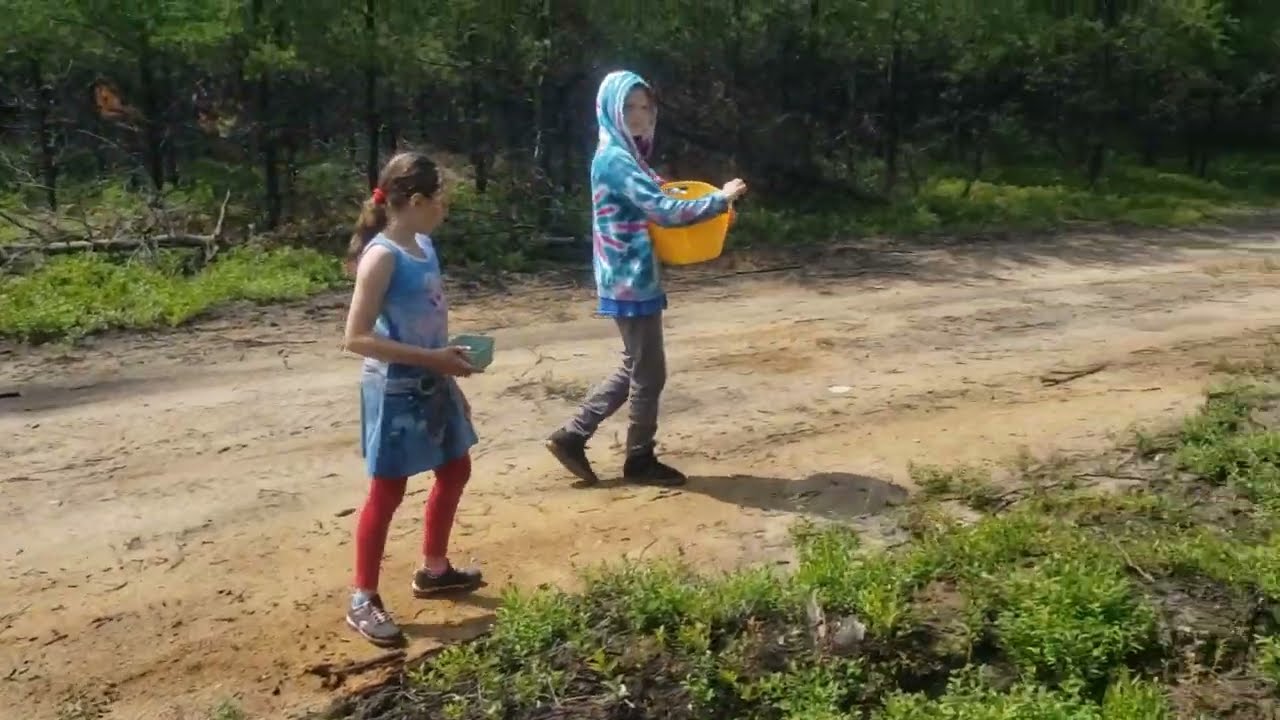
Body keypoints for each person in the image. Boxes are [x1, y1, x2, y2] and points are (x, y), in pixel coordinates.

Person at [545, 70, 748, 487]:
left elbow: (669, 194)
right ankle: (638, 459)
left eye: (645, 106)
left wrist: (716, 210)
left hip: (628, 273)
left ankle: (573, 435)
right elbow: (664, 210)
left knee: (636, 364)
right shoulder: (615, 159)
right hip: (628, 276)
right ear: (610, 110)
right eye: (628, 107)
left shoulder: (626, 155)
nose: (638, 115)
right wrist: (719, 199)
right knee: (650, 372)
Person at [341, 151, 483, 647]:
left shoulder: (423, 245)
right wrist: (433, 360)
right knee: (387, 492)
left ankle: (434, 570)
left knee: (455, 469)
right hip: (395, 391)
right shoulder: (382, 257)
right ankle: (363, 598)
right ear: (418, 200)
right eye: (441, 197)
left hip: (433, 382)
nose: (446, 207)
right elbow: (355, 338)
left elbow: (428, 323)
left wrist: (448, 372)